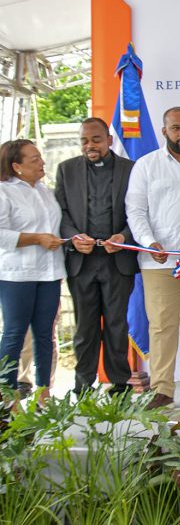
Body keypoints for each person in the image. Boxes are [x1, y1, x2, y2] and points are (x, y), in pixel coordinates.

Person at [126, 107, 180, 409]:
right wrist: (149, 242)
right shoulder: (146, 165)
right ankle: (162, 389)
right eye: (176, 128)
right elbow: (136, 211)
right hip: (159, 261)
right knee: (162, 326)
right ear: (165, 131)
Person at [55, 118, 138, 396]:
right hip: (82, 262)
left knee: (116, 325)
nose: (90, 145)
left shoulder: (130, 169)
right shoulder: (66, 170)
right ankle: (83, 385)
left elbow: (139, 212)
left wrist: (124, 237)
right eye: (84, 141)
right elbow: (61, 212)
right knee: (85, 328)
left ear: (109, 140)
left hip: (117, 261)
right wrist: (74, 237)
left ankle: (119, 384)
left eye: (96, 140)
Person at [0, 140, 65, 402]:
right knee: (15, 332)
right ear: (17, 166)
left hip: (49, 273)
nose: (42, 162)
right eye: (34, 159)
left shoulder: (45, 192)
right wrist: (37, 239)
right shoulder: (5, 192)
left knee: (45, 333)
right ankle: (7, 396)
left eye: (40, 157)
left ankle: (44, 393)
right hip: (18, 274)